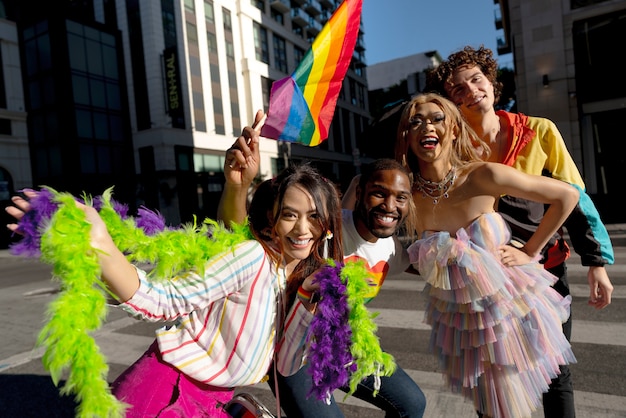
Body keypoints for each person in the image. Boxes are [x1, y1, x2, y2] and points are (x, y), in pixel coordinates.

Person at [6, 162, 344, 417]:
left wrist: (304, 304)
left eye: (314, 216)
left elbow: (284, 367)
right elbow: (163, 300)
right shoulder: (252, 256)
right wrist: (99, 243)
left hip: (216, 399)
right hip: (166, 390)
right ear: (272, 217)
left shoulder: (299, 277)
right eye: (290, 215)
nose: (302, 228)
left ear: (328, 224)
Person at [424, 45, 614, 417]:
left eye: (476, 79)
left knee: (555, 371)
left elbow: (575, 198)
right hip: (483, 283)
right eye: (458, 89)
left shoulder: (539, 131)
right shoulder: (452, 149)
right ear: (451, 102)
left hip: (543, 272)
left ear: (492, 82)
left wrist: (596, 262)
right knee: (493, 380)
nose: (471, 90)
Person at [218, 110, 427, 417]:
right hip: (294, 351)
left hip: (343, 345)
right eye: (379, 194)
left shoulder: (394, 250)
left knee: (412, 404)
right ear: (360, 193)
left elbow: (433, 269)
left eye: (400, 198)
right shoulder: (323, 228)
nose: (389, 206)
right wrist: (237, 186)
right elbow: (240, 242)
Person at [395, 92, 580, 418]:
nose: (427, 126)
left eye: (437, 118)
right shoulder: (408, 195)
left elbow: (565, 196)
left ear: (453, 130)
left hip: (510, 309)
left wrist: (530, 250)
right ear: (407, 136)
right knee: (491, 409)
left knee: (534, 395)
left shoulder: (484, 175)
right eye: (416, 121)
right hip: (459, 320)